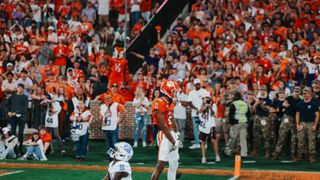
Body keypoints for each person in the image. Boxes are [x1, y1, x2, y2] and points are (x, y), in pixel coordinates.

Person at [151, 80, 180, 180]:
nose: (176, 93)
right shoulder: (158, 102)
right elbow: (162, 125)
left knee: (174, 164)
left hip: (172, 134)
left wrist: (177, 134)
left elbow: (172, 118)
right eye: (174, 91)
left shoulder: (171, 103)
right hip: (164, 135)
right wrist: (173, 140)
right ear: (168, 91)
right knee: (161, 165)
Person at [272, 87, 301, 160]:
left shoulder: (301, 101)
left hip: (295, 119)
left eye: (298, 91)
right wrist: (286, 104)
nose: (296, 93)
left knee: (294, 138)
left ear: (299, 93)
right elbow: (284, 104)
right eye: (295, 91)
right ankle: (276, 153)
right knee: (281, 136)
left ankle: (293, 154)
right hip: (287, 118)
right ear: (293, 91)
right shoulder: (289, 98)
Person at [294, 87, 319, 163]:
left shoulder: (314, 104)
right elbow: (297, 115)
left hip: (311, 124)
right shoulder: (299, 104)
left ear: (310, 94)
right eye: (303, 93)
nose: (304, 95)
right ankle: (299, 157)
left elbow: (317, 115)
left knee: (311, 141)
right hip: (302, 123)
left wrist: (315, 125)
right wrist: (297, 124)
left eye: (306, 93)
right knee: (300, 141)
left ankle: (312, 157)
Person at [224, 91, 250, 158]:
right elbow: (248, 114)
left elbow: (231, 115)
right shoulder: (245, 103)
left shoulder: (234, 104)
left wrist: (232, 122)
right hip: (244, 122)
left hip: (236, 123)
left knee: (233, 138)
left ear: (235, 97)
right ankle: (244, 153)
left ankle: (228, 152)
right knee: (243, 139)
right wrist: (247, 122)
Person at [100, 94, 127, 160]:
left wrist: (120, 121)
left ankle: (116, 157)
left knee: (115, 143)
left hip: (114, 127)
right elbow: (101, 115)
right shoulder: (103, 106)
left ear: (111, 98)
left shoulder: (116, 104)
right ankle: (110, 157)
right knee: (108, 143)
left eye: (109, 98)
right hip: (106, 127)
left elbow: (125, 111)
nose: (107, 100)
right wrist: (102, 121)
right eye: (106, 98)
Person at [250, 85, 272, 157]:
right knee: (255, 134)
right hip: (257, 117)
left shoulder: (268, 100)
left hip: (264, 118)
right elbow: (252, 110)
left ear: (266, 91)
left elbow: (267, 109)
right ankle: (255, 151)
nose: (262, 91)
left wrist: (261, 103)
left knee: (266, 135)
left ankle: (267, 152)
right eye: (261, 90)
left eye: (263, 90)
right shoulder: (258, 99)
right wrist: (255, 103)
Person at [199, 92, 220, 163]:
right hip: (203, 126)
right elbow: (199, 111)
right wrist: (205, 105)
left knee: (213, 141)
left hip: (211, 125)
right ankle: (203, 157)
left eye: (208, 98)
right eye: (206, 98)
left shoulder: (213, 105)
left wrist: (210, 106)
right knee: (203, 142)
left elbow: (214, 114)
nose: (207, 99)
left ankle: (217, 156)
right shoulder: (201, 105)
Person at [7, 83, 28, 155]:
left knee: (21, 133)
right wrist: (8, 111)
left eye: (21, 88)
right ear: (17, 88)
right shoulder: (12, 96)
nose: (19, 89)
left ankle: (20, 149)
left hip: (21, 117)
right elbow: (5, 104)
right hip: (13, 118)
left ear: (23, 89)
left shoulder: (25, 97)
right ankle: (13, 149)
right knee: (12, 133)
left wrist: (15, 113)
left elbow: (25, 109)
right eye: (18, 87)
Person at [187, 79, 209, 149]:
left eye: (198, 84)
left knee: (204, 128)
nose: (197, 85)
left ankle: (204, 143)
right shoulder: (191, 93)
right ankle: (197, 143)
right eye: (196, 84)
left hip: (203, 114)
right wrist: (197, 109)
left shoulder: (205, 92)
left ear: (200, 84)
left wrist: (202, 110)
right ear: (194, 85)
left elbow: (208, 101)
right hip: (195, 114)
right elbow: (189, 103)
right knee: (196, 129)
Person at [173, 79, 188, 148]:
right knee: (175, 129)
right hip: (174, 114)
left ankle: (181, 142)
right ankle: (175, 142)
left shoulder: (185, 96)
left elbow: (186, 104)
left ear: (182, 88)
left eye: (179, 88)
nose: (178, 89)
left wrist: (179, 101)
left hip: (182, 115)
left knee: (181, 129)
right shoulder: (173, 95)